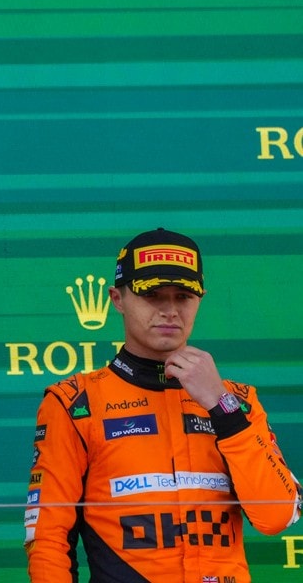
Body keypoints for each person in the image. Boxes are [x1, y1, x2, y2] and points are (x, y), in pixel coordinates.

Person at [25, 227, 302, 581]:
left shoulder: (238, 402)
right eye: (152, 294)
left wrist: (221, 406)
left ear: (200, 300)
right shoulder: (75, 402)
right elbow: (48, 538)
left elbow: (277, 516)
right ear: (117, 299)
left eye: (183, 297)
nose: (170, 310)